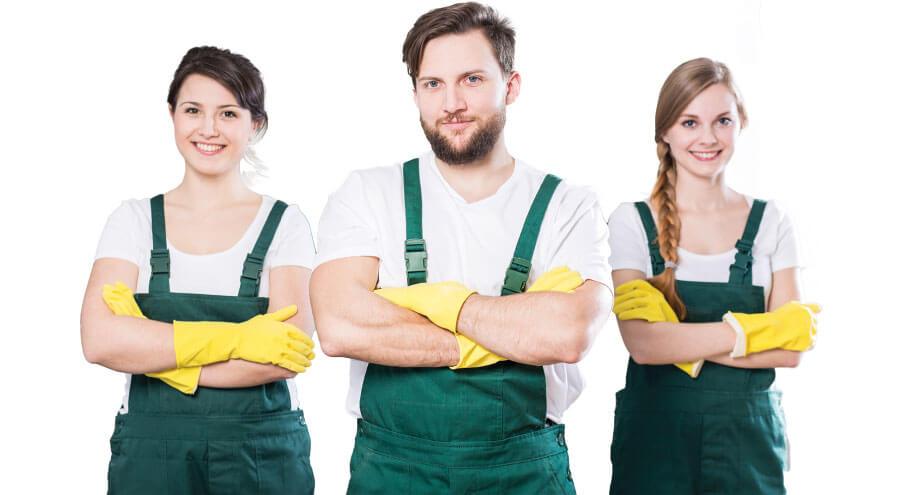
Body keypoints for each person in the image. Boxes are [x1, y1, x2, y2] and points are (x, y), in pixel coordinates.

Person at [310, 3, 613, 493]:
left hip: (523, 471)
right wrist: (509, 336)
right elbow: (340, 325)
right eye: (433, 84)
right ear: (415, 93)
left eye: (471, 79)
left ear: (510, 85)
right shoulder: (367, 193)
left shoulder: (567, 205)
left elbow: (568, 333)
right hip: (393, 471)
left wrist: (433, 304)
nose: (451, 102)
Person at [80, 46, 317, 494]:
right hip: (154, 457)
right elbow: (99, 340)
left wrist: (156, 352)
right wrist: (237, 339)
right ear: (172, 115)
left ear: (256, 124)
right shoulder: (131, 221)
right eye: (193, 110)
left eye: (228, 113)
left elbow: (286, 353)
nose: (208, 129)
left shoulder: (286, 224)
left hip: (261, 457)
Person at [607, 58, 819, 494]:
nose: (707, 137)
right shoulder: (630, 223)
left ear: (741, 123)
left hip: (750, 448)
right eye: (690, 122)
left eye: (722, 120)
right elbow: (643, 345)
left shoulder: (772, 223)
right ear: (664, 131)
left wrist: (678, 341)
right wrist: (756, 332)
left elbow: (791, 351)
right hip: (655, 445)